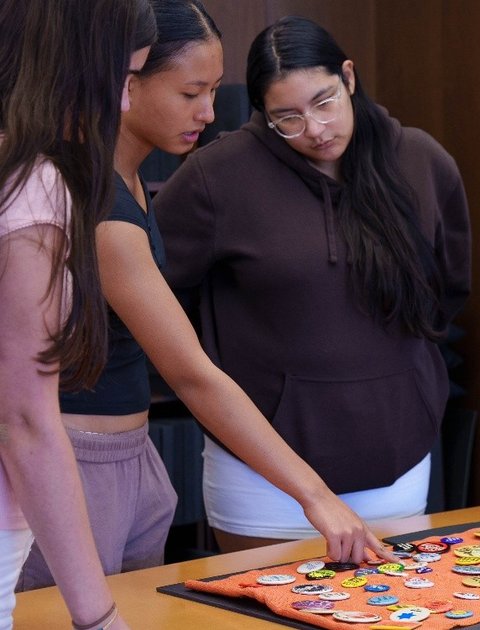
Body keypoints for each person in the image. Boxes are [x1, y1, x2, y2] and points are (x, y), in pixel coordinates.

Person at [19, 2, 392, 591]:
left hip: (129, 453)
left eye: (214, 90)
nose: (209, 112)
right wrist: (314, 496)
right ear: (127, 81)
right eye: (191, 92)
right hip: (78, 459)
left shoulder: (130, 181)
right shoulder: (96, 204)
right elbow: (193, 374)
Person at [154, 15, 470, 552]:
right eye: (288, 118)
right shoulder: (217, 177)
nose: (316, 129)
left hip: (397, 460)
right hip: (264, 477)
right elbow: (152, 296)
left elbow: (450, 291)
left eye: (324, 102)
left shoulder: (420, 160)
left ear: (349, 77)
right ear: (264, 115)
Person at [0, 1, 155, 627]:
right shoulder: (29, 184)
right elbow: (24, 422)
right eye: (122, 76)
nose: (121, 104)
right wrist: (97, 618)